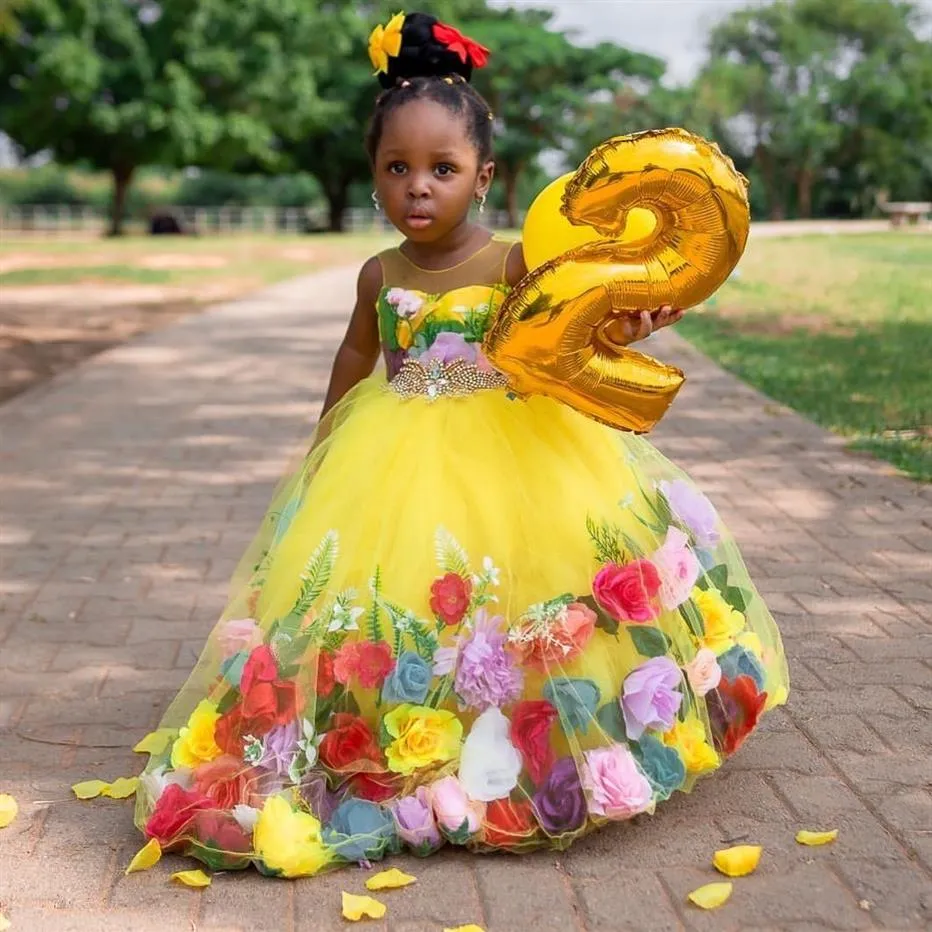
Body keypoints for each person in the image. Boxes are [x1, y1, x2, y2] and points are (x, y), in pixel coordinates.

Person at [131, 12, 789, 878]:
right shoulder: (380, 274)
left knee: (518, 587)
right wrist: (323, 449)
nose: (418, 189)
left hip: (512, 444)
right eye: (397, 169)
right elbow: (360, 356)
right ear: (373, 177)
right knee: (397, 590)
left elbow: (576, 331)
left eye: (442, 169)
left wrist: (636, 321)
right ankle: (402, 736)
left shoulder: (513, 262)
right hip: (392, 451)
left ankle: (548, 734)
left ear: (483, 177)